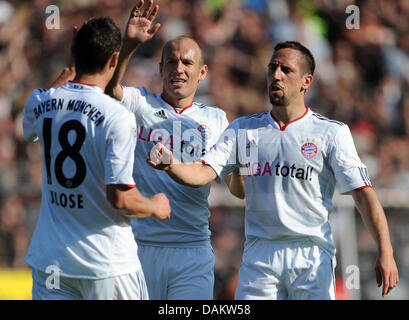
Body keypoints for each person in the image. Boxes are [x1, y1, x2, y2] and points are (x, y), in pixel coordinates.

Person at [148, 41, 399, 299]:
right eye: (272, 68)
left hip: (311, 256)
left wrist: (386, 251)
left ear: (306, 81)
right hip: (260, 258)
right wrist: (171, 164)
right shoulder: (243, 129)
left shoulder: (331, 133)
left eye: (286, 70)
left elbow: (363, 193)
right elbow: (203, 173)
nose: (276, 75)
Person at [103, 0, 244, 300]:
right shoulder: (141, 103)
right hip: (141, 248)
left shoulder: (216, 119)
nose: (179, 69)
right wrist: (128, 44)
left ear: (202, 72)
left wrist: (243, 165)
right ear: (161, 67)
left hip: (192, 252)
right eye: (172, 61)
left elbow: (236, 189)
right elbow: (109, 89)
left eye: (187, 63)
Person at [23, 17, 171, 300]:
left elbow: (35, 119)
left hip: (52, 263)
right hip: (107, 266)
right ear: (114, 59)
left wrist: (73, 63)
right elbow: (121, 198)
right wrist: (155, 206)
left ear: (75, 52)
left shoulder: (41, 102)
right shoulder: (117, 116)